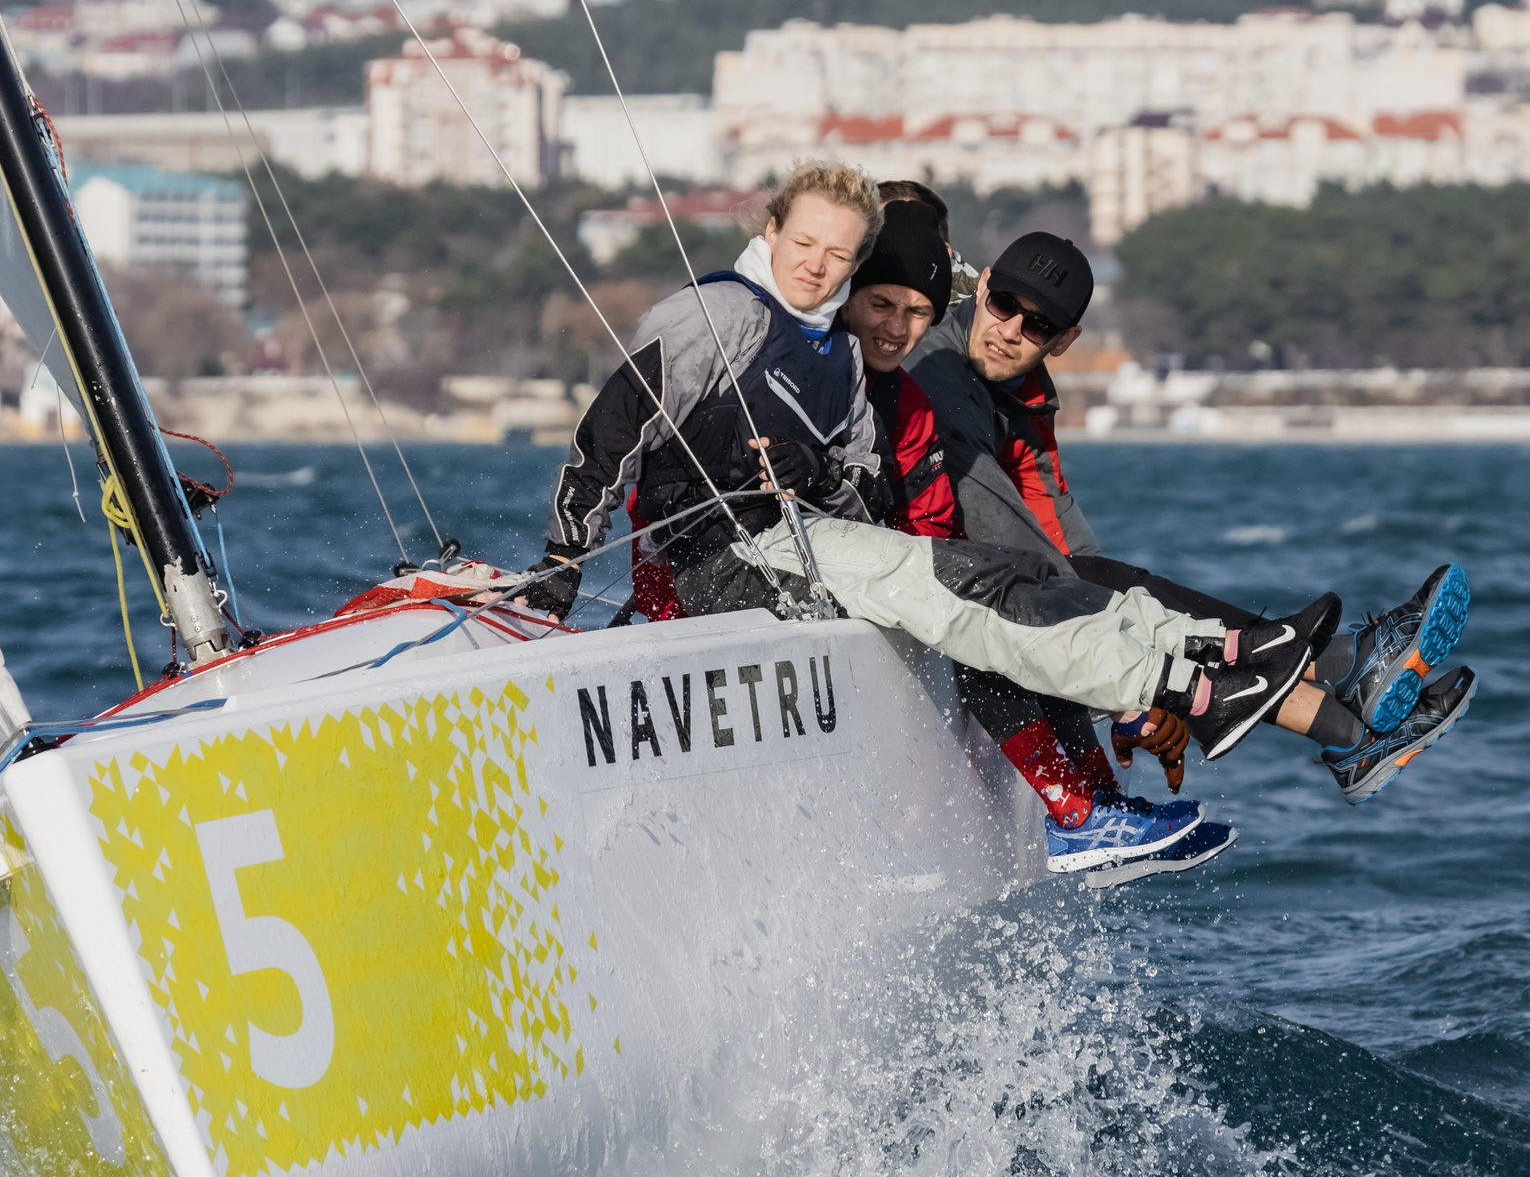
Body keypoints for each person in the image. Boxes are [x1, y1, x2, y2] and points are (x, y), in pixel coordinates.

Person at [524, 161, 1367, 844]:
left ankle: (1228, 666)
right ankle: (1188, 707)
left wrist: (811, 477)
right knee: (972, 595)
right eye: (808, 245)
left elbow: (863, 496)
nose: (823, 269)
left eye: (908, 306)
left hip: (788, 557)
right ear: (770, 230)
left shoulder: (837, 361)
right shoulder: (722, 314)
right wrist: (557, 577)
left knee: (1007, 580)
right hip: (713, 569)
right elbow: (612, 434)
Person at [907, 226, 1476, 804]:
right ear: (981, 289)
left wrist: (1134, 639)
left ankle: (1348, 716)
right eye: (1004, 305)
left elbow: (1070, 550)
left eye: (1038, 325)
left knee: (1111, 584)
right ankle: (1344, 683)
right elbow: (1035, 567)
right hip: (929, 594)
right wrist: (1131, 681)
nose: (1010, 332)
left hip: (976, 594)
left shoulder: (1017, 387)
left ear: (1065, 339)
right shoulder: (942, 380)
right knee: (1093, 594)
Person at [840, 192, 1233, 879]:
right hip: (852, 573)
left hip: (911, 566)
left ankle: (1097, 804)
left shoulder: (928, 380)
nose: (897, 321)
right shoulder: (872, 360)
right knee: (987, 624)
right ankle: (1074, 808)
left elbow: (1026, 507)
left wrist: (1098, 638)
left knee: (1018, 608)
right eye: (883, 302)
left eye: (914, 307)